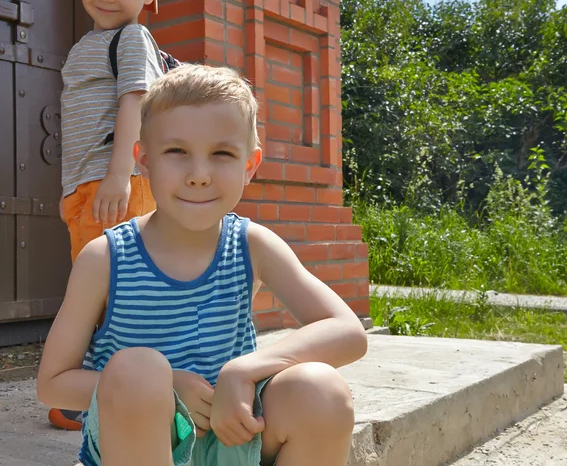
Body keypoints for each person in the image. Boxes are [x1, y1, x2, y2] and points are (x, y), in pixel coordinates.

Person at [37, 64, 368, 466]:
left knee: (321, 389)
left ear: (249, 165)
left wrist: (243, 371)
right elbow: (52, 385)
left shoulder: (251, 244)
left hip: (229, 436)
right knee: (139, 370)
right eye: (176, 152)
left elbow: (348, 331)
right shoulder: (106, 258)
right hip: (134, 443)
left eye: (222, 154)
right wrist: (168, 387)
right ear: (142, 159)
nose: (199, 175)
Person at [51, 0, 167, 431]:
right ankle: (109, 390)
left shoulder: (132, 40)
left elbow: (134, 103)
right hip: (85, 187)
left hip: (113, 183)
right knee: (96, 288)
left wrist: (120, 175)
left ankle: (106, 394)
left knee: (114, 291)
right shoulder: (86, 46)